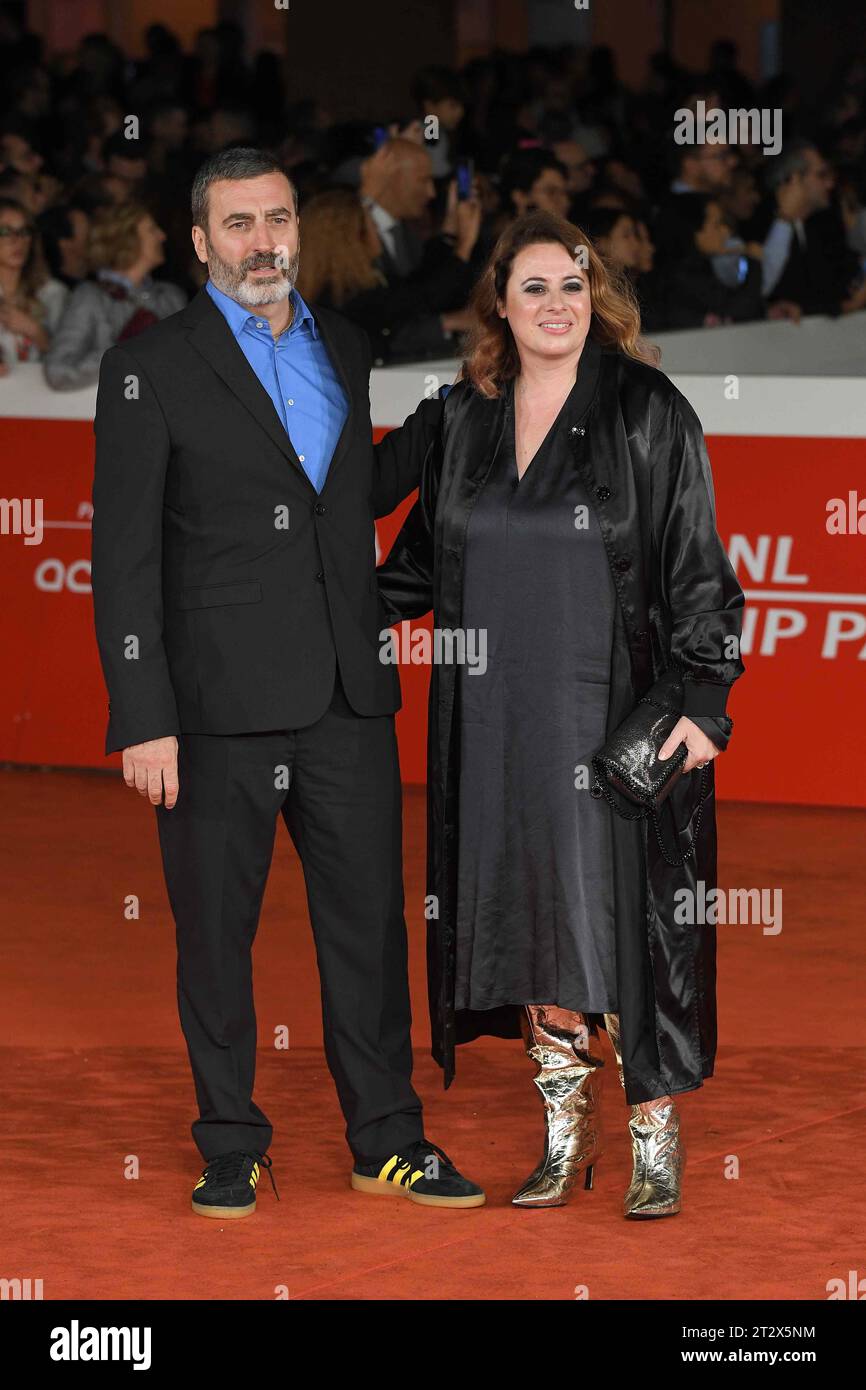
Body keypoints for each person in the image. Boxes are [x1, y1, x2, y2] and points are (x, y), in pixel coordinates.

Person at [90, 146, 484, 1219]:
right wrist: (142, 716)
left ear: (297, 232)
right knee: (215, 934)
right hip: (212, 709)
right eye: (238, 224)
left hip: (345, 699)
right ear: (200, 241)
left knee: (367, 928)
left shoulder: (344, 347)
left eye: (276, 220)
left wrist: (456, 408)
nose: (262, 242)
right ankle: (230, 1142)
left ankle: (387, 1140)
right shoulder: (149, 368)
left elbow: (347, 497)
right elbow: (122, 559)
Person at [376, 209, 745, 1218]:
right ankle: (559, 1136)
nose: (553, 304)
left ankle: (651, 1136)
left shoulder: (643, 408)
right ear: (497, 301)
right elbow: (408, 572)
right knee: (526, 923)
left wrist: (705, 701)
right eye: (531, 286)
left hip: (611, 720)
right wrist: (294, 609)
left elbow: (696, 567)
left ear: (598, 299)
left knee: (620, 927)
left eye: (572, 285)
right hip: (492, 729)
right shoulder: (464, 419)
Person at [43, 200, 185, 390]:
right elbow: (58, 371)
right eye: (152, 230)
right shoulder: (90, 297)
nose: (162, 236)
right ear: (127, 238)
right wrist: (123, 352)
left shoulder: (171, 296)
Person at [0, 196, 66, 371]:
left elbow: (70, 360)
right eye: (5, 232)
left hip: (38, 393)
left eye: (24, 231)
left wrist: (36, 332)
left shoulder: (52, 293)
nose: (18, 241)